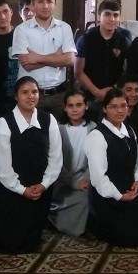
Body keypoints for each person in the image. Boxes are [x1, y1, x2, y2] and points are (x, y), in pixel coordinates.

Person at [0, 76, 63, 253]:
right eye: (25, 92)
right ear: (16, 96)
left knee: (31, 240)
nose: (31, 96)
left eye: (34, 92)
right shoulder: (3, 123)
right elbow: (2, 167)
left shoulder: (49, 120)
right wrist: (22, 190)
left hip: (39, 187)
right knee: (9, 242)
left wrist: (44, 185)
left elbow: (56, 157)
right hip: (12, 188)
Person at [85, 88, 138, 246]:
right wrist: (120, 196)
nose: (120, 110)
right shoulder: (97, 136)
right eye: (114, 106)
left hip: (130, 186)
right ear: (105, 109)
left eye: (123, 106)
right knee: (130, 237)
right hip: (108, 194)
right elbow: (98, 178)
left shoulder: (129, 130)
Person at [11, 0, 75, 116]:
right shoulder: (21, 30)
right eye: (41, 2)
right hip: (31, 95)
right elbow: (27, 65)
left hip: (59, 94)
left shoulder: (64, 28)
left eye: (49, 2)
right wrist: (57, 58)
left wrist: (37, 57)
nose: (45, 6)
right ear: (33, 5)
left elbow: (69, 60)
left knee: (59, 129)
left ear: (55, 4)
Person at [48, 89, 94, 237]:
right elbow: (56, 161)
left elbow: (94, 160)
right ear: (65, 108)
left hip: (85, 180)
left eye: (79, 105)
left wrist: (86, 179)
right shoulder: (58, 130)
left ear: (86, 106)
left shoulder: (94, 129)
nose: (75, 109)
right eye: (70, 106)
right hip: (62, 181)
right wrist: (73, 183)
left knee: (88, 198)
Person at [75, 0, 129, 104]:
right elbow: (78, 72)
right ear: (99, 16)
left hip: (115, 95)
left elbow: (128, 71)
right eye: (107, 14)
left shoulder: (124, 41)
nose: (112, 19)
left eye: (116, 15)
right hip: (89, 96)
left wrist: (115, 90)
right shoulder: (86, 39)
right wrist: (97, 92)